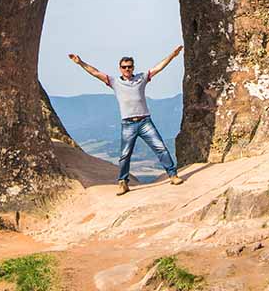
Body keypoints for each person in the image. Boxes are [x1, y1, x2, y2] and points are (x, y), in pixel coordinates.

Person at [68, 46, 184, 195]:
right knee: (125, 155)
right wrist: (80, 62)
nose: (127, 69)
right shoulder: (114, 82)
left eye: (129, 67)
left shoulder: (141, 78)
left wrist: (172, 56)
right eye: (124, 67)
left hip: (144, 121)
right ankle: (123, 182)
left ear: (133, 67)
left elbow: (158, 68)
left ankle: (172, 175)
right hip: (128, 123)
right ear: (120, 68)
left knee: (160, 148)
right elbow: (95, 72)